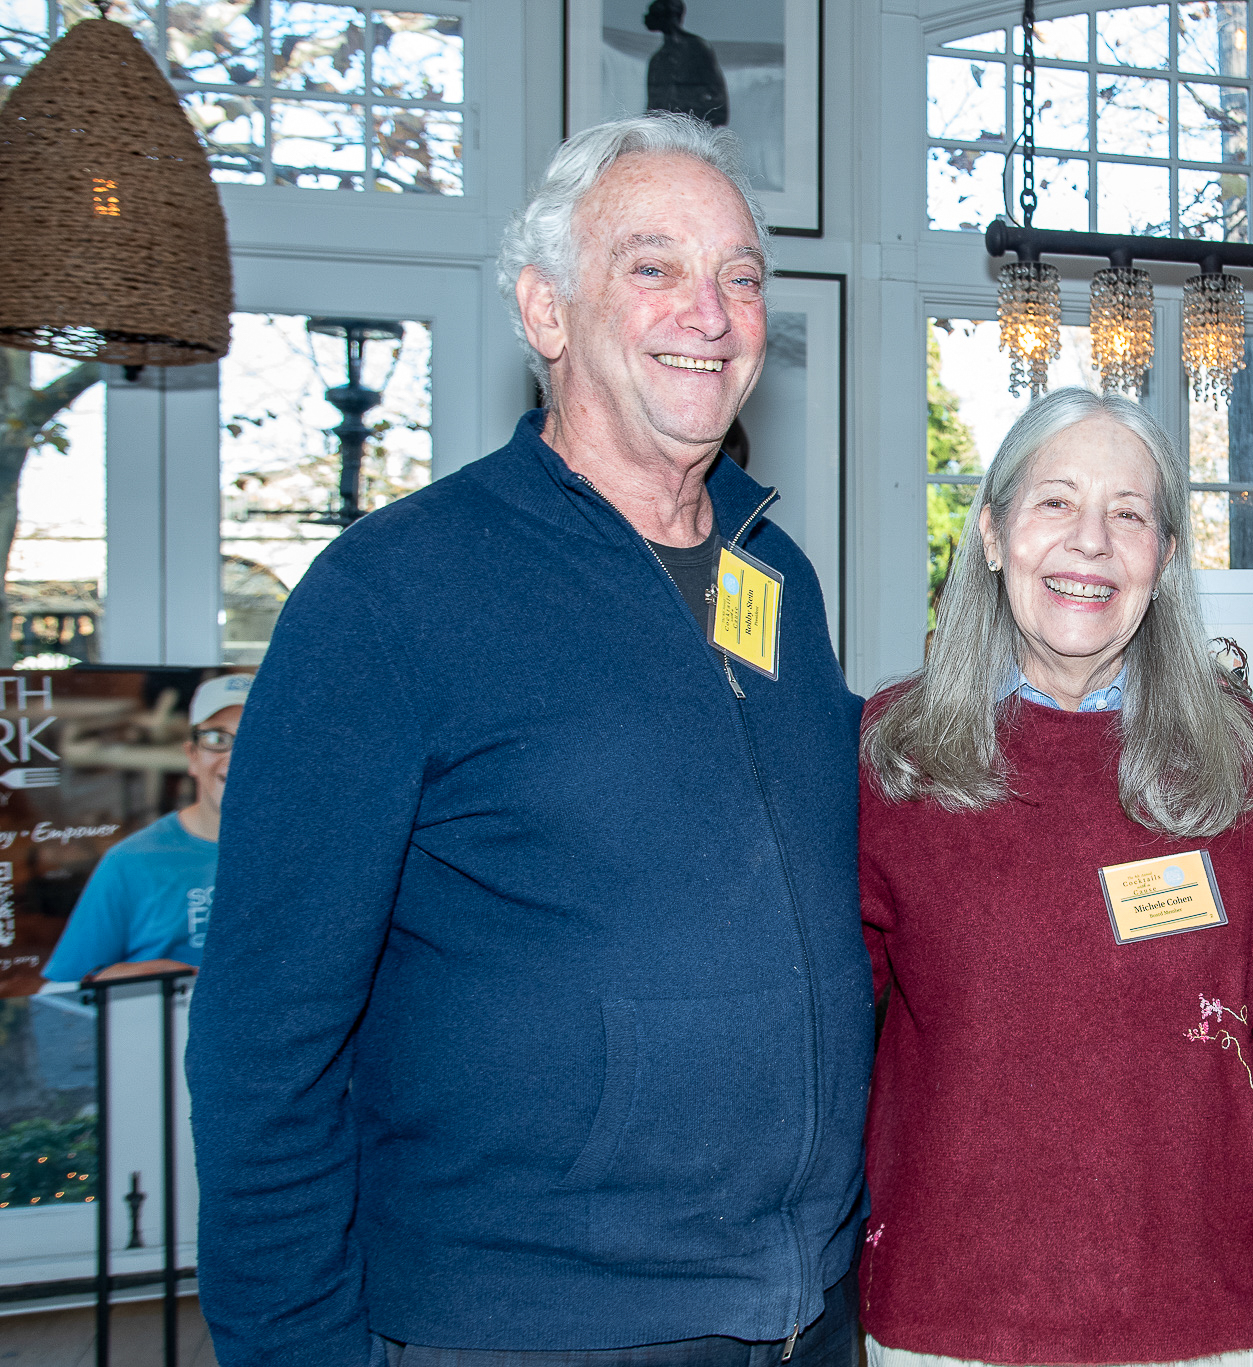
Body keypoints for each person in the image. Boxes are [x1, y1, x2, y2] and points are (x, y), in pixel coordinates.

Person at [185, 111, 870, 1366]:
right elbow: (262, 1045)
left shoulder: (777, 576)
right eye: (652, 265)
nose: (708, 311)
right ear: (546, 313)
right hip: (526, 1326)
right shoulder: (388, 596)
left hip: (801, 1314)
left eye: (739, 274)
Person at [859, 388, 1253, 1367]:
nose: (1089, 541)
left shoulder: (1237, 756)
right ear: (994, 532)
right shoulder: (896, 759)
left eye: (1128, 513)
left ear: (1163, 557)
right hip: (960, 1324)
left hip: (1230, 1321)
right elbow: (841, 1050)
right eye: (1054, 502)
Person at [41, 672, 250, 985]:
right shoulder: (131, 862)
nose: (235, 759)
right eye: (217, 739)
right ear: (192, 756)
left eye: (255, 739)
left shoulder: (310, 856)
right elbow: (61, 996)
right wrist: (117, 979)